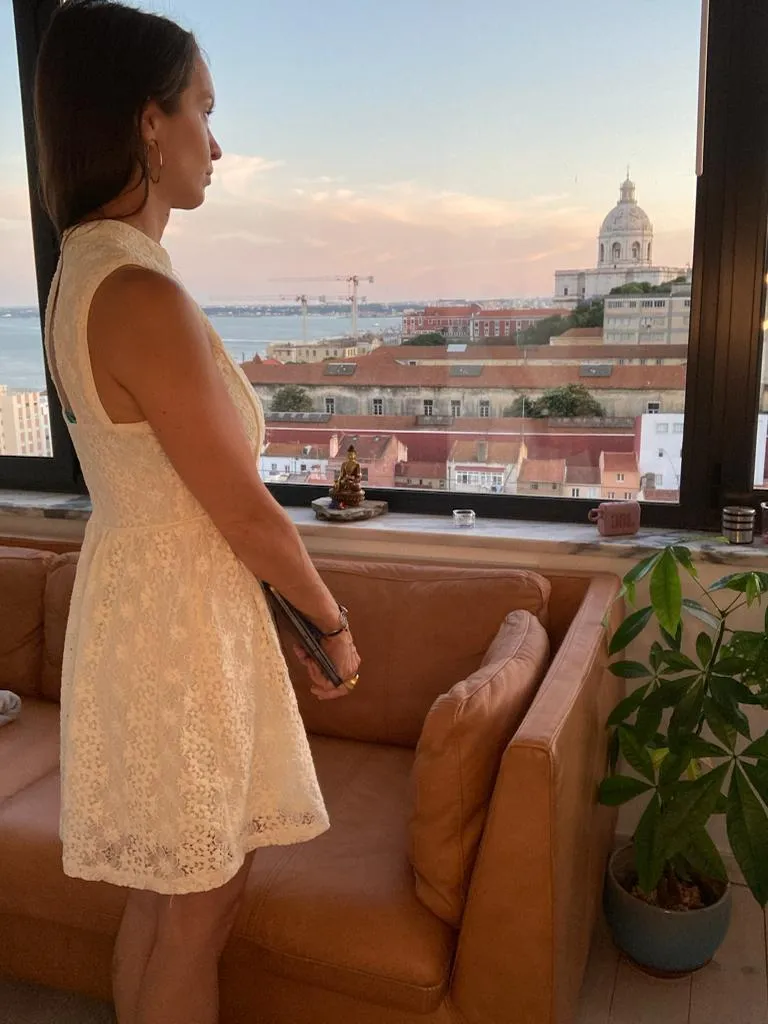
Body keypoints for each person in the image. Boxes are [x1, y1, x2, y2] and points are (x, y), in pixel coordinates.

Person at [34, 3, 361, 1023]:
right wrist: (331, 627)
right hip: (177, 626)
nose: (214, 145)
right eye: (203, 111)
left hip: (150, 606)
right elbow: (245, 510)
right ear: (149, 124)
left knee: (168, 896)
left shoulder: (82, 270)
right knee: (198, 907)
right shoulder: (139, 294)